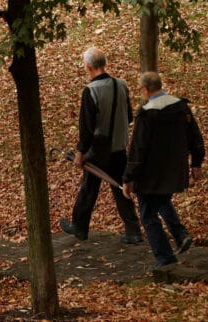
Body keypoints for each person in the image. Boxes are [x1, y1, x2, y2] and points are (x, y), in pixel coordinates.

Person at [59, 47, 143, 243]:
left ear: (88, 67)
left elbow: (86, 127)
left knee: (88, 188)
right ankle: (134, 231)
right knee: (121, 187)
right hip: (119, 148)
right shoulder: (121, 85)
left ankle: (80, 228)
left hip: (98, 150)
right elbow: (129, 116)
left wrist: (80, 152)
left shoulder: (91, 91)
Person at [122, 71, 205, 267]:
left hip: (150, 175)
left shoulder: (147, 114)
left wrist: (128, 178)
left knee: (148, 215)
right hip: (175, 169)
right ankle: (180, 234)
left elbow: (138, 149)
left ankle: (165, 258)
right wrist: (196, 162)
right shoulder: (180, 107)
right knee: (161, 201)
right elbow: (195, 136)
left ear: (144, 89)